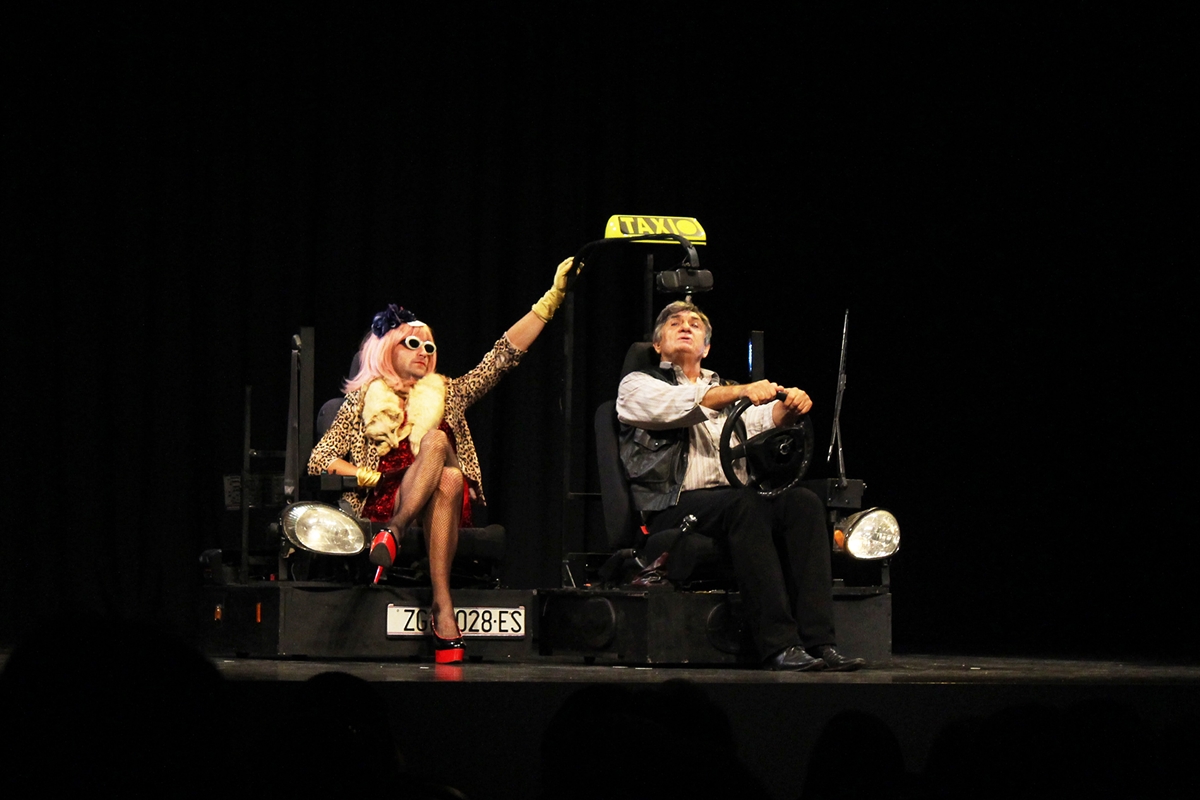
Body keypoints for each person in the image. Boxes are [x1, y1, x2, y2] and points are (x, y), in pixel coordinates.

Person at [308, 257, 577, 663]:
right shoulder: (361, 400)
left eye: (429, 346)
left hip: (440, 513)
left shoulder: (449, 392)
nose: (423, 351)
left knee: (435, 440)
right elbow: (320, 460)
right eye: (412, 343)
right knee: (449, 479)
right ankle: (442, 607)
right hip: (389, 497)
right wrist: (363, 475)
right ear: (386, 349)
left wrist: (551, 300)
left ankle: (394, 534)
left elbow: (501, 358)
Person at [616, 300, 865, 671]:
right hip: (673, 507)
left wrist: (791, 405)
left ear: (706, 347)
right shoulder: (638, 384)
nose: (685, 326)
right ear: (657, 344)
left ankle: (820, 642)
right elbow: (682, 404)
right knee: (745, 503)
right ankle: (779, 645)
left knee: (803, 503)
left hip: (733, 503)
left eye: (695, 323)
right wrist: (741, 392)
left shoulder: (730, 390)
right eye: (674, 323)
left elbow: (765, 420)